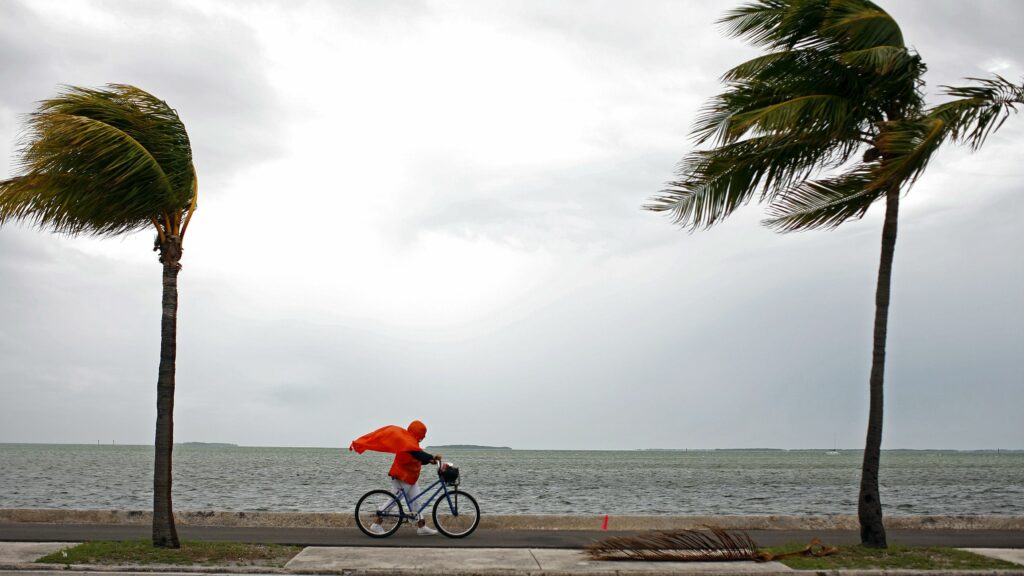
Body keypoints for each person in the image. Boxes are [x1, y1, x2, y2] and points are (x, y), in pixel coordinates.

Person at [350, 420, 442, 536]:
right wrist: (431, 457)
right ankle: (376, 524)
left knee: (417, 501)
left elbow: (416, 457)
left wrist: (429, 460)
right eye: (422, 434)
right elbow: (416, 454)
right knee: (394, 500)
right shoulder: (407, 442)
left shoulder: (411, 442)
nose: (423, 437)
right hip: (402, 476)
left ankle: (421, 527)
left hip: (410, 478)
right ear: (418, 433)